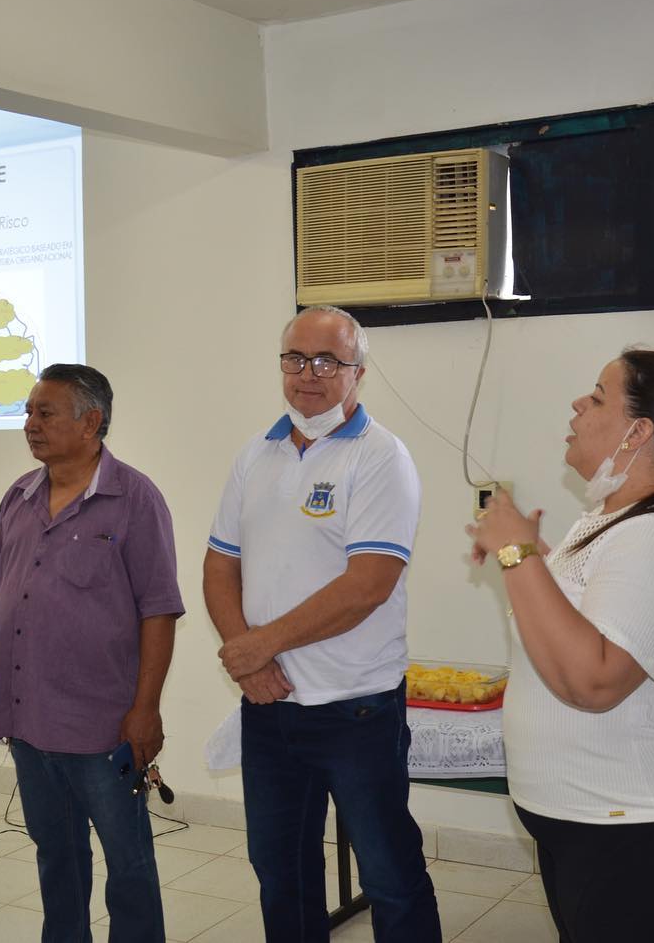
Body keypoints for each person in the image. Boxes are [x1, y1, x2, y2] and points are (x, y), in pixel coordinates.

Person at [468, 347, 654, 942]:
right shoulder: (610, 522)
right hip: (596, 823)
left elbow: (594, 680)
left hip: (649, 832)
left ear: (638, 432)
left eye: (598, 397)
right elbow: (584, 626)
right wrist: (531, 556)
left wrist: (519, 556)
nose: (578, 404)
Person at [204, 305, 441, 943]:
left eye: (327, 361)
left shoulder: (382, 457)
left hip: (355, 708)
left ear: (358, 372)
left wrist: (259, 646)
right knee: (280, 872)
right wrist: (247, 658)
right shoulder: (255, 454)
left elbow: (367, 586)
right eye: (295, 358)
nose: (308, 373)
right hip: (270, 707)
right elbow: (219, 566)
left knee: (390, 874)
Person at [0, 364, 183, 943]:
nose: (30, 424)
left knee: (127, 862)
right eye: (28, 412)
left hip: (103, 725)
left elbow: (159, 610)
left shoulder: (135, 499)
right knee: (56, 855)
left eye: (45, 413)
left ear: (91, 423)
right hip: (28, 718)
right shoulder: (18, 497)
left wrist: (146, 709)